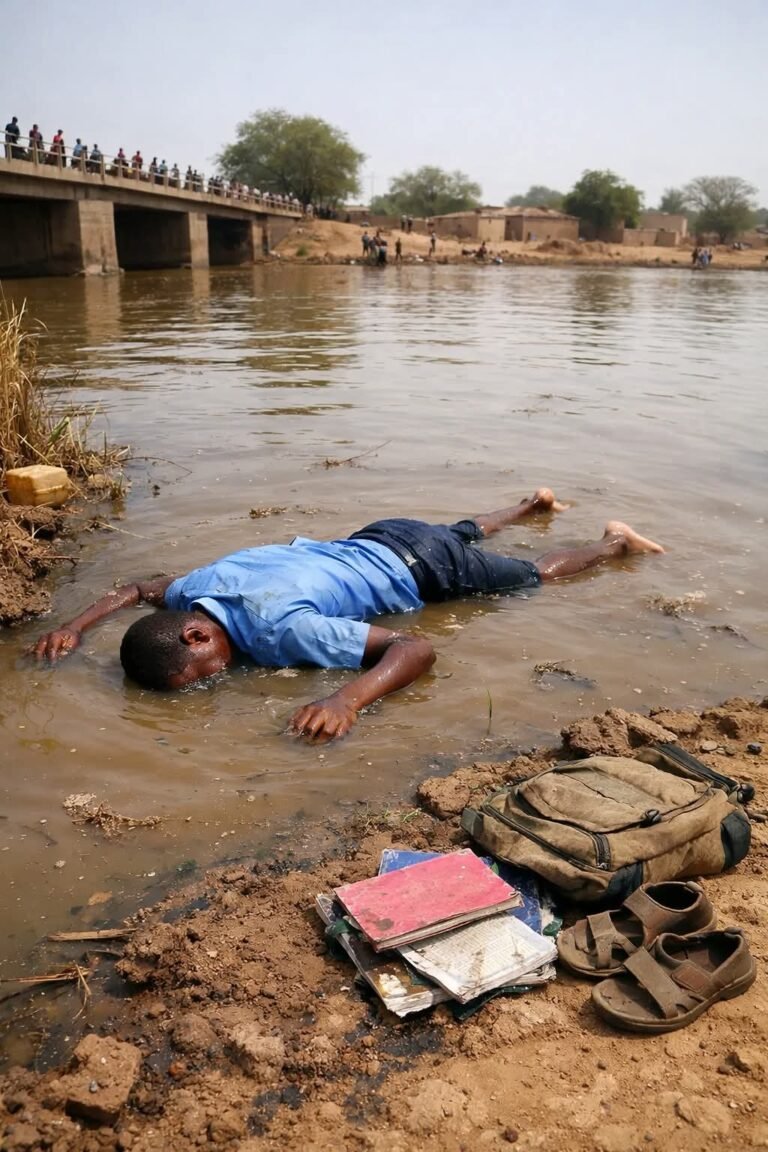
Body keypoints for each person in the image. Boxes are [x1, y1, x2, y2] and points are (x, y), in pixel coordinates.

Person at [33, 488, 663, 744]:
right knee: (459, 532)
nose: (215, 679)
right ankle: (531, 502)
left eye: (202, 674)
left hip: (424, 568)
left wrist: (346, 701)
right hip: (380, 534)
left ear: (196, 635)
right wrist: (76, 625)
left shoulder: (281, 631)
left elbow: (416, 648)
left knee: (533, 578)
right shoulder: (198, 588)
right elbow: (140, 588)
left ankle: (613, 542)